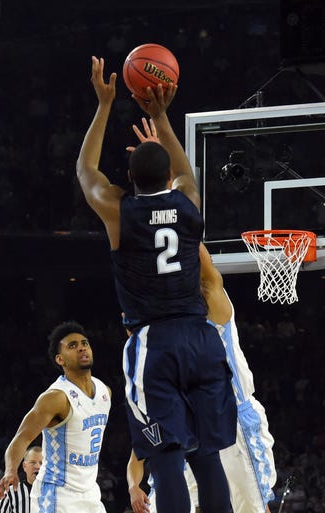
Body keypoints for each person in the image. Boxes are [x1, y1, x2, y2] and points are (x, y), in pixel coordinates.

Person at [76, 56, 236, 513]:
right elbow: (187, 173)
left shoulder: (118, 212)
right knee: (207, 453)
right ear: (169, 178)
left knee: (165, 454)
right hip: (202, 337)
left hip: (154, 343)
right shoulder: (189, 203)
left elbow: (86, 173)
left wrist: (104, 105)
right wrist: (162, 116)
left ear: (127, 178)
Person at [125, 238, 276, 513]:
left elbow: (205, 268)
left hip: (234, 419)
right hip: (187, 421)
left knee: (253, 508)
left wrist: (179, 222)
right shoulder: (161, 325)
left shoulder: (209, 299)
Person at [0, 321, 111, 513]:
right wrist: (10, 470)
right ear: (60, 359)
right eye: (72, 346)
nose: (81, 348)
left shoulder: (105, 392)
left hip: (90, 493)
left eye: (84, 343)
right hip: (57, 495)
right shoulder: (55, 397)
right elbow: (21, 438)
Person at [0, 446, 42, 513]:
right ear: (24, 466)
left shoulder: (54, 491)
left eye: (41, 463)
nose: (38, 467)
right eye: (32, 462)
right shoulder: (11, 492)